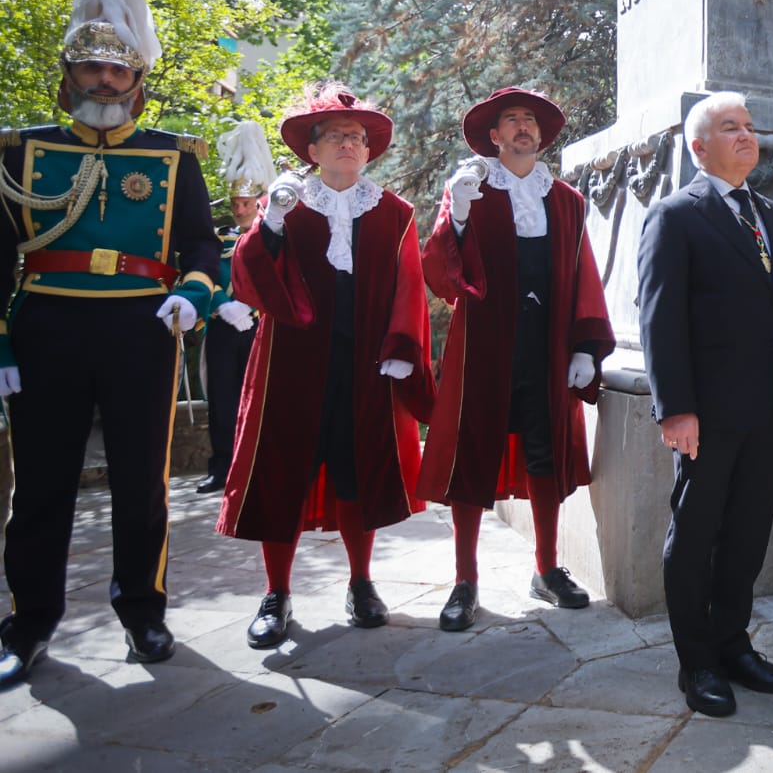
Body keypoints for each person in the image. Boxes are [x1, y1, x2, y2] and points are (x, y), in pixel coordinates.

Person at [0, 0, 221, 685]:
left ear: (138, 80)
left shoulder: (173, 157)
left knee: (140, 481)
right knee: (40, 485)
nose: (104, 78)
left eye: (118, 68)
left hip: (140, 326)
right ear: (69, 74)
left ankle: (143, 612)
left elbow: (199, 245)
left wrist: (191, 293)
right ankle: (28, 622)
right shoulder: (20, 152)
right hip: (46, 329)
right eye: (91, 66)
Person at [217, 83, 434, 649]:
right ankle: (276, 593)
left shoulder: (393, 212)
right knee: (280, 470)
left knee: (356, 470)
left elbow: (410, 286)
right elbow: (248, 277)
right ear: (312, 150)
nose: (348, 144)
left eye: (357, 137)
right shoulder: (284, 203)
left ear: (368, 151)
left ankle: (362, 583)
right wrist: (271, 226)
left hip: (366, 364)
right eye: (336, 136)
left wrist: (403, 347)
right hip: (291, 361)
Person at [637, 91, 773, 718]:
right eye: (730, 128)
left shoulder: (771, 213)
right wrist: (676, 408)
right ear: (699, 148)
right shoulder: (675, 216)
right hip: (706, 413)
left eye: (749, 126)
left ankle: (734, 643)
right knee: (696, 535)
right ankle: (698, 662)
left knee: (746, 534)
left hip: (765, 407)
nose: (748, 136)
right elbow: (661, 321)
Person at [418, 87, 615, 631]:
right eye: (512, 120)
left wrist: (584, 346)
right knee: (470, 459)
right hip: (484, 346)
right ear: (495, 136)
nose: (523, 127)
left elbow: (584, 277)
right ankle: (465, 580)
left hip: (547, 346)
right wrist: (456, 215)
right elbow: (440, 276)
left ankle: (547, 569)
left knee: (545, 455)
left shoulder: (567, 200)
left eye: (530, 119)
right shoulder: (470, 191)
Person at [197, 121, 275, 494]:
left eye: (247, 202)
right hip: (224, 325)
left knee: (264, 398)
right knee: (222, 399)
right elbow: (203, 275)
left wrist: (251, 306)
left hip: (261, 325)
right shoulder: (218, 238)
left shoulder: (274, 238)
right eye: (236, 203)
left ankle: (261, 464)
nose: (240, 208)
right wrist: (222, 305)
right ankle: (222, 467)